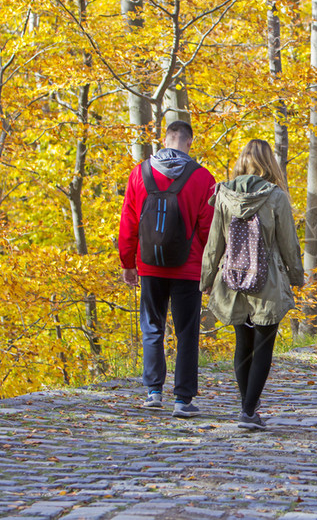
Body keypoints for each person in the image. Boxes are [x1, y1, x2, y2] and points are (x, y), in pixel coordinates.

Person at [200, 139, 304, 430]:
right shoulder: (276, 197)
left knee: (242, 344)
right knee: (263, 346)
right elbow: (288, 244)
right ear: (268, 162)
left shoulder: (223, 194)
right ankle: (249, 410)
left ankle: (248, 406)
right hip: (267, 281)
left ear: (243, 161)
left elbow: (213, 243)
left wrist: (207, 279)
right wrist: (296, 278)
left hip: (231, 279)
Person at [118, 120, 216, 418]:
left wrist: (127, 262)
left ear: (165, 139)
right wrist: (209, 269)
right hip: (188, 269)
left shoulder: (140, 173)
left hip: (150, 265)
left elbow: (129, 221)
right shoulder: (202, 178)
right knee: (187, 333)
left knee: (152, 328)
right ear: (189, 142)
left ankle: (153, 392)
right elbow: (208, 229)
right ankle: (183, 400)